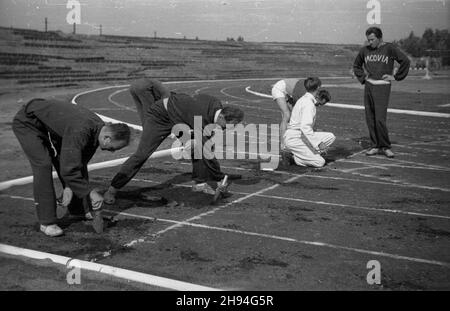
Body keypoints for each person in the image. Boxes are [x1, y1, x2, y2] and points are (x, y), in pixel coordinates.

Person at [103, 80, 244, 204]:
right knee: (142, 154)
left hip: (181, 117)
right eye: (231, 124)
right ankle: (112, 189)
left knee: (198, 147)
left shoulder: (216, 105)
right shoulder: (200, 117)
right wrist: (220, 179)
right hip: (160, 116)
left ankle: (200, 183)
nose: (229, 129)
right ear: (223, 117)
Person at [12, 98, 131, 237]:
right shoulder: (82, 130)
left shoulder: (97, 131)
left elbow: (78, 162)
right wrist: (91, 193)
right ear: (107, 139)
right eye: (113, 148)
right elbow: (69, 170)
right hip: (28, 122)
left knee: (73, 162)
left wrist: (69, 186)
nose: (112, 151)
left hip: (52, 127)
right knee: (43, 164)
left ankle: (78, 210)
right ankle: (47, 222)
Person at [353, 26, 410, 158]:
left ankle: (385, 146)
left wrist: (395, 77)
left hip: (382, 87)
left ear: (380, 38)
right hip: (369, 86)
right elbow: (356, 65)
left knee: (379, 119)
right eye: (368, 40)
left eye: (372, 39)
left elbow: (405, 61)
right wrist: (363, 78)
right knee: (370, 118)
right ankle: (375, 146)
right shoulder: (364, 50)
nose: (370, 42)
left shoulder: (389, 48)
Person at [284, 77, 335, 168]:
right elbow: (305, 128)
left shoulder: (305, 99)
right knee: (320, 162)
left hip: (299, 135)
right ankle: (295, 157)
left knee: (330, 137)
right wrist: (319, 144)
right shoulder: (309, 104)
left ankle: (307, 154)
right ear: (318, 87)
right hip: (295, 138)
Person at [271, 78, 303, 150]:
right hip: (279, 89)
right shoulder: (302, 92)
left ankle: (291, 139)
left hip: (288, 92)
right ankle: (282, 144)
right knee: (287, 115)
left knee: (294, 115)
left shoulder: (307, 90)